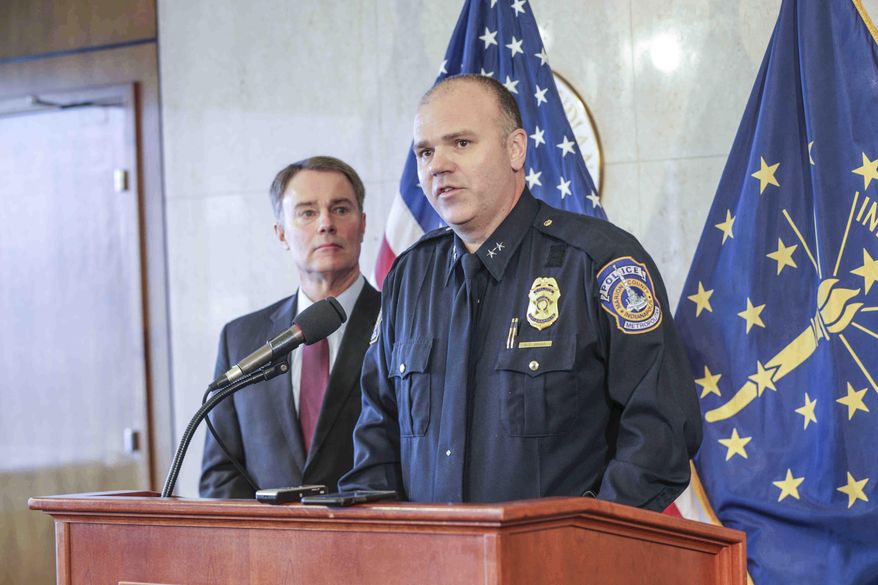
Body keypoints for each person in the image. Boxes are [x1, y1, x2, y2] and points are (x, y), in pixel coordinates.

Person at [339, 75, 702, 511]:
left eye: (461, 143)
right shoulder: (408, 277)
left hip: (565, 552)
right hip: (429, 550)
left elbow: (660, 434)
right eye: (425, 152)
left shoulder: (597, 262)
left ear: (515, 149)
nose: (438, 165)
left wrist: (587, 538)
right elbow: (377, 437)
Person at [200, 156, 380, 498]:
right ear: (281, 233)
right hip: (266, 534)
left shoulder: (401, 322)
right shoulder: (241, 339)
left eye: (341, 209)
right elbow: (221, 477)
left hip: (373, 529)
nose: (326, 224)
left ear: (363, 224)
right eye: (307, 213)